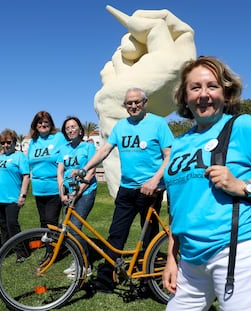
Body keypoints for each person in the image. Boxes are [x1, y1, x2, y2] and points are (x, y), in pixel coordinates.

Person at [162, 56, 251, 310]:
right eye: (195, 87)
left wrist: (243, 186)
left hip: (240, 251)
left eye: (212, 86)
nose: (204, 94)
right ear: (184, 97)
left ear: (226, 93)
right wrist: (171, 259)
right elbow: (178, 207)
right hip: (190, 260)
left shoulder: (243, 126)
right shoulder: (180, 143)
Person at [79, 87, 174, 293]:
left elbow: (169, 156)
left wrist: (155, 180)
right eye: (129, 103)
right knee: (116, 234)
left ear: (145, 102)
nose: (133, 106)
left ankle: (150, 282)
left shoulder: (158, 123)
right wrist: (85, 168)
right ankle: (106, 280)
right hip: (127, 189)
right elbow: (104, 150)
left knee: (149, 236)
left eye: (136, 102)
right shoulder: (121, 126)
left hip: (151, 190)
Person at [94, 6, 196, 196]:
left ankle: (128, 190)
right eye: (130, 103)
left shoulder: (163, 54)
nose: (133, 105)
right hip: (134, 187)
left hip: (148, 186)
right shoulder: (168, 56)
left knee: (108, 93)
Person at [57, 116, 97, 278]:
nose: (71, 130)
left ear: (80, 129)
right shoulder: (63, 148)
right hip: (68, 192)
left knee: (75, 227)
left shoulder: (88, 147)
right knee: (66, 228)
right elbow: (60, 172)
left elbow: (92, 171)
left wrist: (77, 193)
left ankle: (85, 264)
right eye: (67, 128)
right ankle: (77, 260)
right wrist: (62, 194)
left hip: (86, 191)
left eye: (73, 127)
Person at [0, 129, 30, 263]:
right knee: (3, 225)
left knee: (12, 224)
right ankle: (6, 249)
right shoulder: (0, 156)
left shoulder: (20, 156)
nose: (6, 145)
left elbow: (26, 176)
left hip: (12, 198)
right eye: (3, 142)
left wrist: (23, 195)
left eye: (8, 142)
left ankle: (22, 252)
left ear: (14, 142)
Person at [27, 111, 67, 228]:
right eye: (40, 122)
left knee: (51, 221)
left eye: (46, 122)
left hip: (54, 187)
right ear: (35, 125)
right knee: (43, 221)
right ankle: (49, 244)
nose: (43, 124)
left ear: (51, 124)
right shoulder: (33, 142)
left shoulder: (58, 137)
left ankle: (54, 246)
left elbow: (69, 152)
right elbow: (29, 161)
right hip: (38, 189)